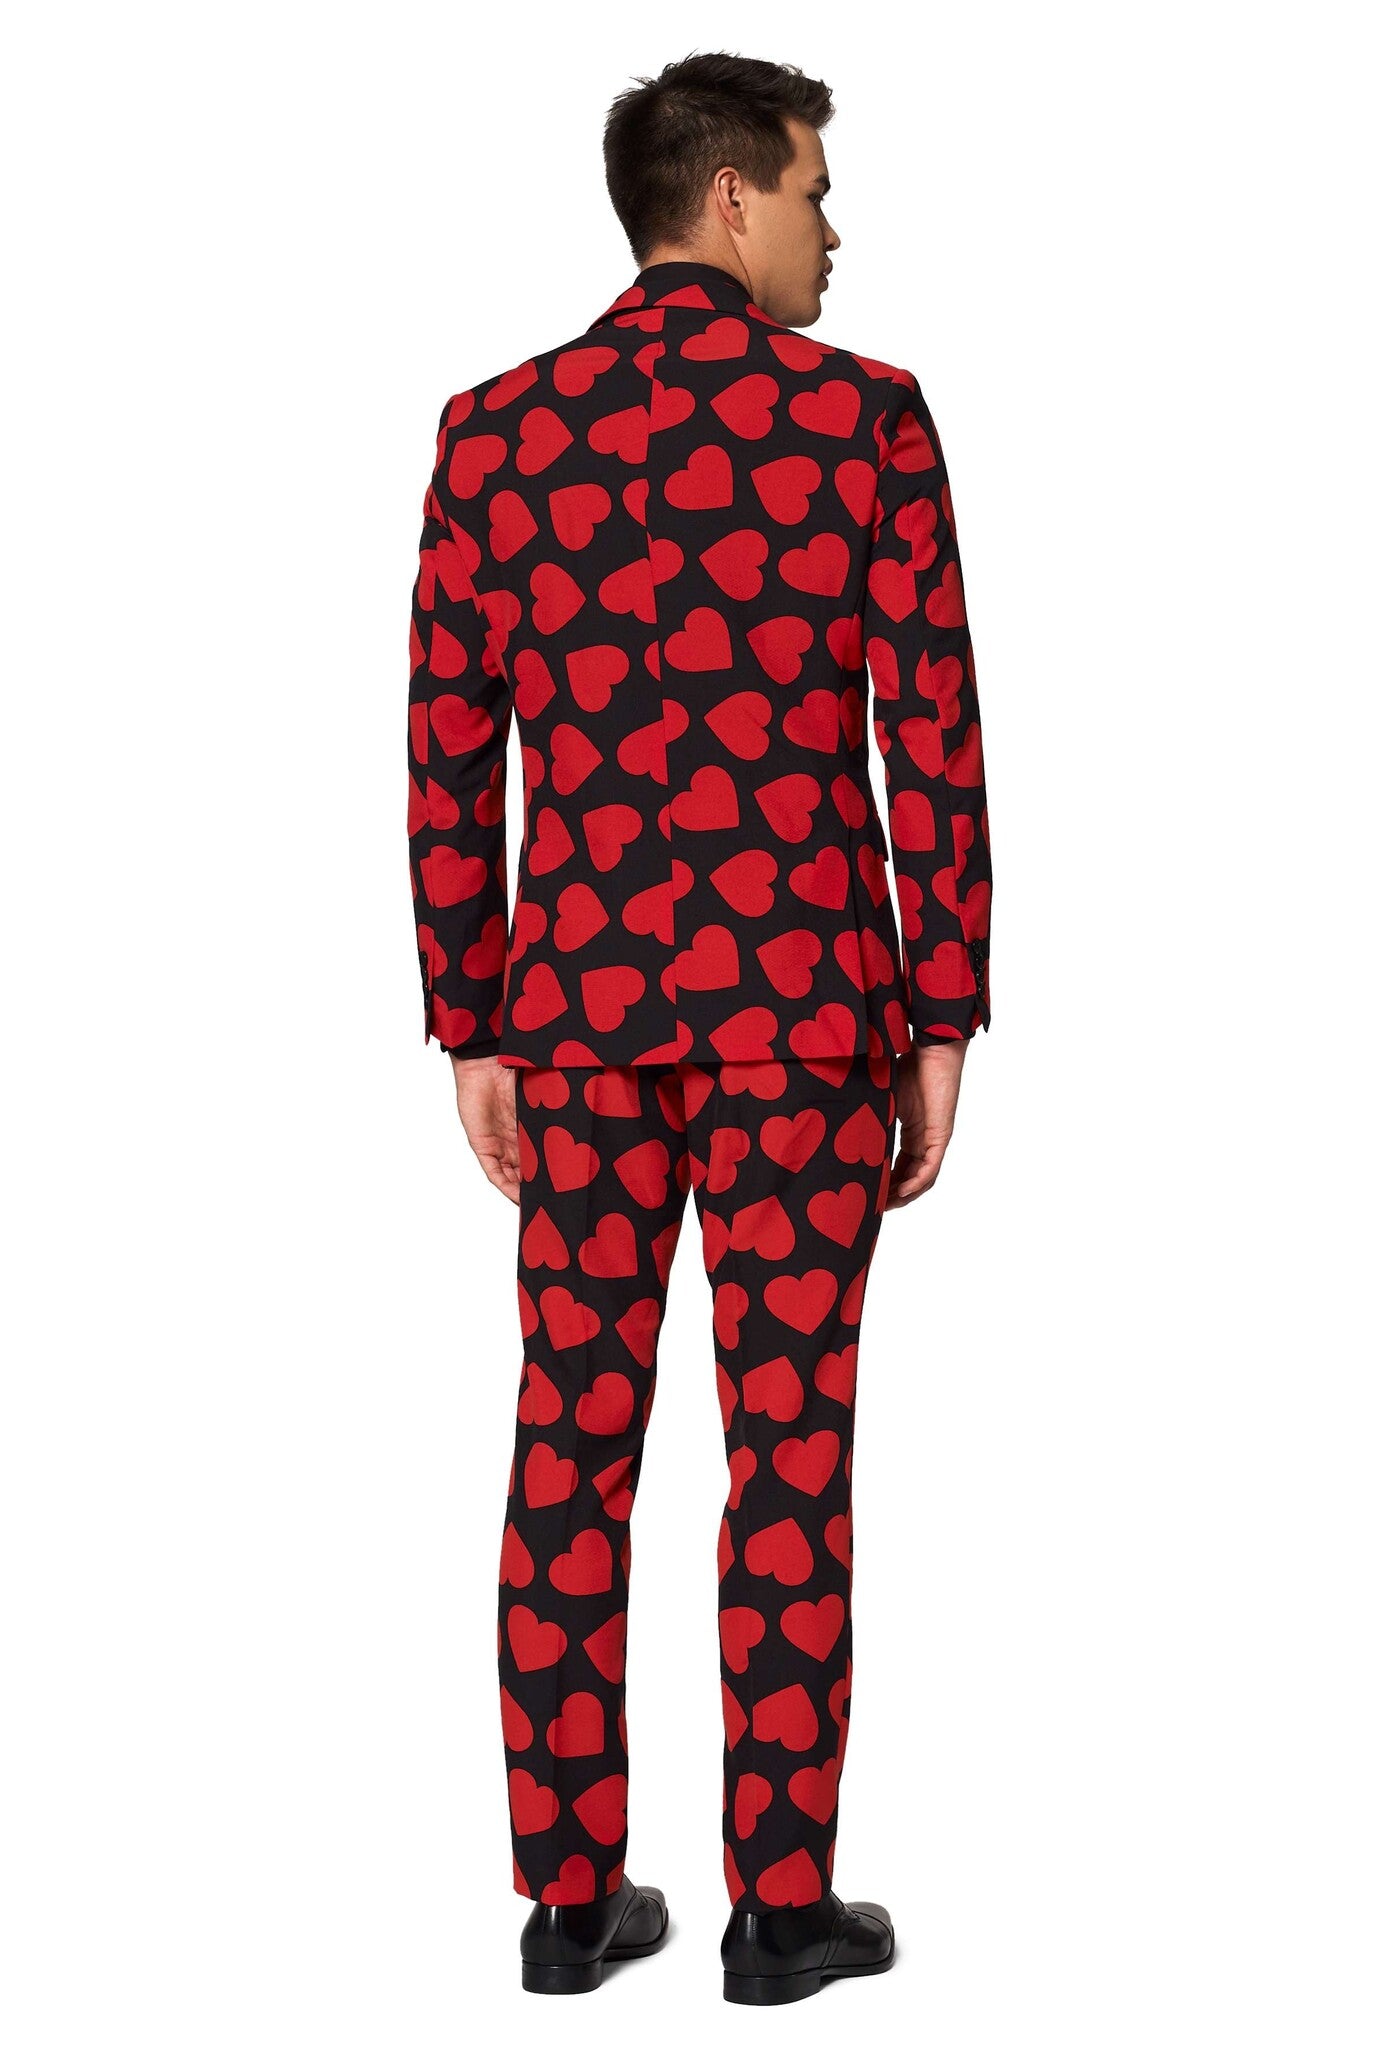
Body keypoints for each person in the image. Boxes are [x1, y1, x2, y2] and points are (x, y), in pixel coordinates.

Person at [404, 50, 992, 2004]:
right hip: (803, 1024)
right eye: (813, 188)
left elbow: (447, 749)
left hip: (573, 1028)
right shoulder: (863, 421)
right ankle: (778, 1909)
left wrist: (470, 1016)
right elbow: (930, 734)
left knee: (568, 1449)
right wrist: (942, 1006)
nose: (834, 229)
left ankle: (570, 1903)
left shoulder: (496, 435)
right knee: (787, 1459)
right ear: (729, 194)